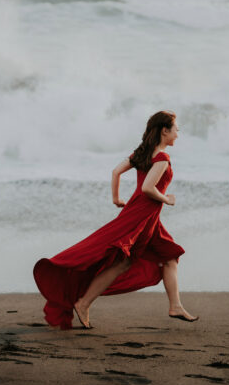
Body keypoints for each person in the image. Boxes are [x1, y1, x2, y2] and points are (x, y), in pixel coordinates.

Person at [33, 111, 198, 329]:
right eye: (176, 129)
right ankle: (83, 303)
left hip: (144, 215)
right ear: (164, 130)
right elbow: (149, 188)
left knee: (169, 256)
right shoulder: (162, 159)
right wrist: (166, 199)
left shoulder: (143, 153)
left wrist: (116, 198)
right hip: (141, 215)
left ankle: (175, 305)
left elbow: (115, 172)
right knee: (123, 261)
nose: (178, 133)